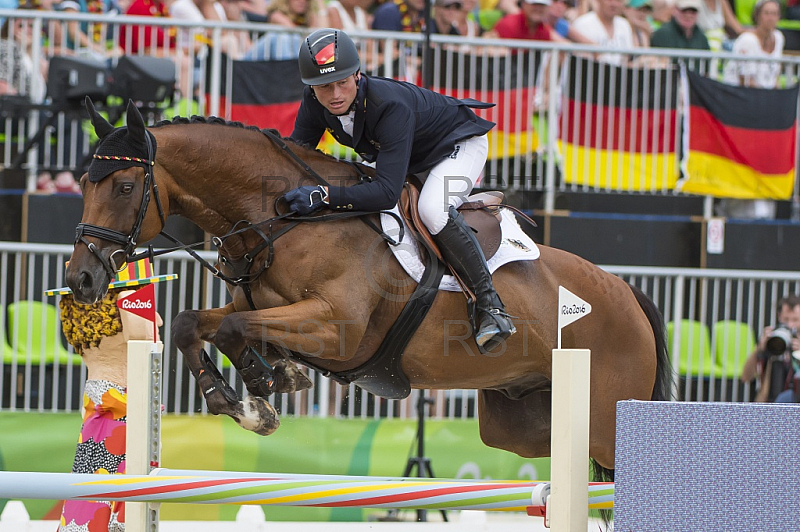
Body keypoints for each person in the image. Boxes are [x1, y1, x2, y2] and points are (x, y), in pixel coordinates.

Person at [285, 29, 516, 353]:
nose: (335, 94)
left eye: (342, 82)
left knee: (432, 210)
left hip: (458, 146)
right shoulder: (314, 102)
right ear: (311, 87)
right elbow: (295, 155)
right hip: (411, 154)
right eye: (324, 86)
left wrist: (324, 195)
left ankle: (491, 306)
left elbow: (384, 194)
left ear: (357, 75)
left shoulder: (389, 105)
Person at [47, 258, 173, 532]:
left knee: (90, 478)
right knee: (130, 480)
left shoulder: (75, 306)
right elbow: (148, 346)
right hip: (125, 398)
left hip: (97, 394)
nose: (160, 319)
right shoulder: (130, 299)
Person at [741, 295, 800, 403]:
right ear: (779, 316)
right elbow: (746, 377)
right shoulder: (772, 339)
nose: (790, 325)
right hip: (767, 404)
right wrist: (759, 349)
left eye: (795, 320)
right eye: (786, 319)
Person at [723, 0, 783, 89]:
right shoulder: (747, 40)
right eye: (766, 13)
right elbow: (745, 80)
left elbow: (775, 76)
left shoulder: (779, 37)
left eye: (774, 14)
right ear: (757, 16)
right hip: (740, 93)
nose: (770, 18)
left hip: (766, 94)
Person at [572, 0, 637, 65]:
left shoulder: (624, 25)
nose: (614, 4)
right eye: (609, 0)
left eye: (618, 1)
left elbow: (627, 57)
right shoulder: (582, 23)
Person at [486, 0, 560, 41]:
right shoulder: (508, 24)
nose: (538, 8)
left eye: (542, 5)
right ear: (524, 4)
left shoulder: (544, 30)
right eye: (534, 4)